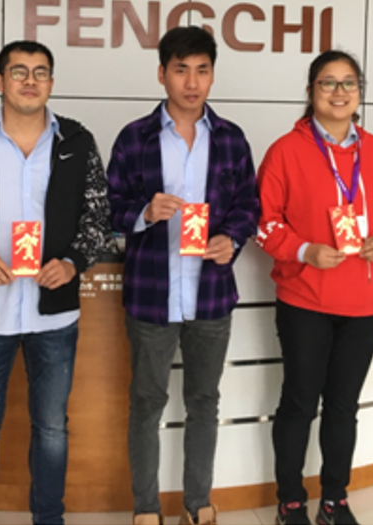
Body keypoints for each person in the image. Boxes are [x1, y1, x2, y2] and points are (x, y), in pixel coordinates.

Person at [0, 40, 111, 525]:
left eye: (40, 72)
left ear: (52, 82)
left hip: (54, 314)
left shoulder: (77, 141)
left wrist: (73, 262)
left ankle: (48, 519)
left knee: (52, 428)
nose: (30, 81)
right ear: (0, 81)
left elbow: (98, 218)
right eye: (19, 72)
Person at [254, 50, 373, 525]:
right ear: (311, 92)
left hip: (364, 304)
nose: (339, 92)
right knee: (299, 403)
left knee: (344, 407)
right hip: (305, 300)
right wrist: (304, 251)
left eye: (349, 83)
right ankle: (290, 501)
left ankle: (334, 500)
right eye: (328, 82)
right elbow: (263, 222)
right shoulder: (285, 151)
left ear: (359, 93)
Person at [106, 26, 260, 525]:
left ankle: (197, 503)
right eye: (180, 70)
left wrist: (232, 238)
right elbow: (108, 207)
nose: (192, 82)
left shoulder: (231, 139)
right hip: (151, 295)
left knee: (203, 401)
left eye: (202, 70)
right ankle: (146, 508)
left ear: (212, 75)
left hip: (210, 294)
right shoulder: (134, 137)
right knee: (146, 402)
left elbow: (248, 205)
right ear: (162, 74)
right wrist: (144, 213)